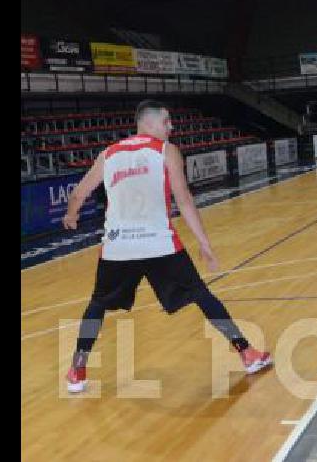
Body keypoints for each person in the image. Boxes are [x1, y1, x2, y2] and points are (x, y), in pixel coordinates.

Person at [61, 99, 272, 394]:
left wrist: (71, 215)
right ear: (148, 123)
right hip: (158, 243)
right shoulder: (166, 151)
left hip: (118, 246)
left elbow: (79, 193)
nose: (171, 127)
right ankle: (246, 353)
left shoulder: (108, 154)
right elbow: (183, 199)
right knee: (200, 294)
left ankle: (78, 369)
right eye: (166, 122)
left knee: (97, 304)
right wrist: (204, 243)